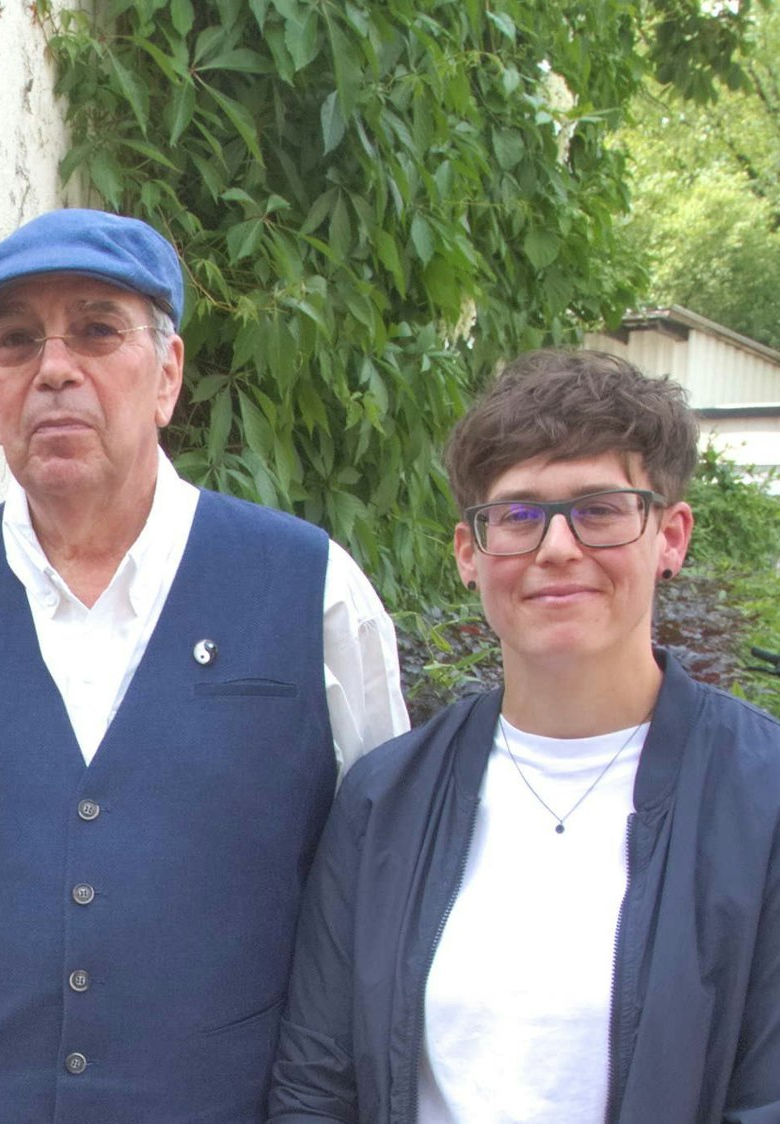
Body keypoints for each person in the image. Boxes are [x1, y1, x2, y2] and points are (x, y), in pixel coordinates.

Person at [0, 208, 408, 1121]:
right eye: (14, 342)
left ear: (167, 372)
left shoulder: (313, 589)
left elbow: (372, 893)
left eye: (96, 329)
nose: (53, 369)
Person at [268, 349, 780, 1122]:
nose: (556, 548)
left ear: (669, 537)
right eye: (517, 515)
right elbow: (316, 1083)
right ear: (470, 555)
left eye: (599, 508)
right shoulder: (385, 803)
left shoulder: (762, 798)